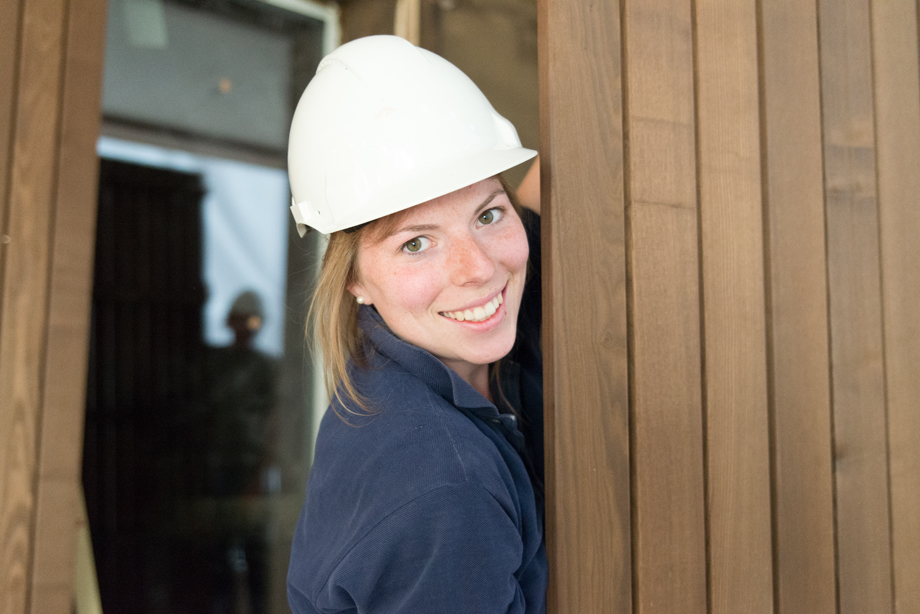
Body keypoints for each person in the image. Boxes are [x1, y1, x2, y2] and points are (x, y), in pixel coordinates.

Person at [285, 35, 545, 613]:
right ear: (352, 278)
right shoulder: (448, 489)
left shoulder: (380, 382)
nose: (478, 269)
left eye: (488, 213)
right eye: (417, 243)